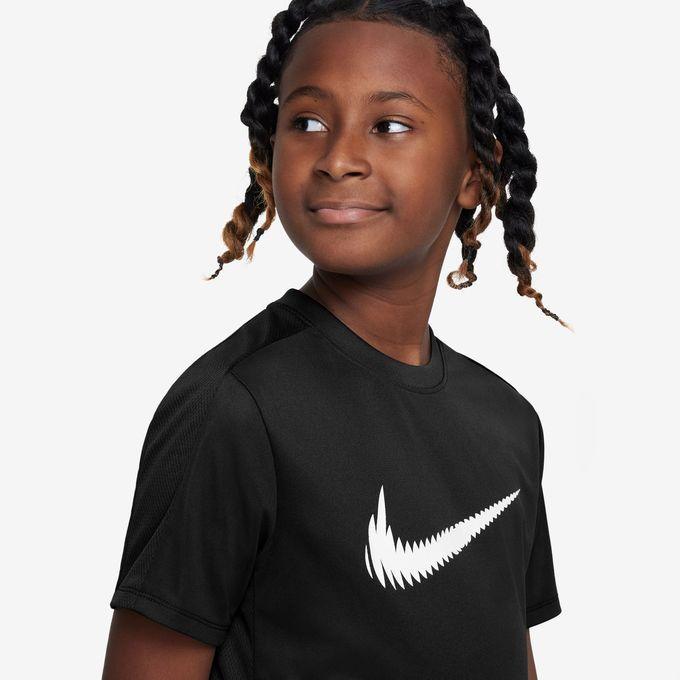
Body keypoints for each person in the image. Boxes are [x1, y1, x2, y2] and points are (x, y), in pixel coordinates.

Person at [102, 1, 568, 678]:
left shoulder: (509, 423)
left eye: (390, 126)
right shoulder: (235, 410)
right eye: (307, 122)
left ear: (474, 172)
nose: (338, 158)